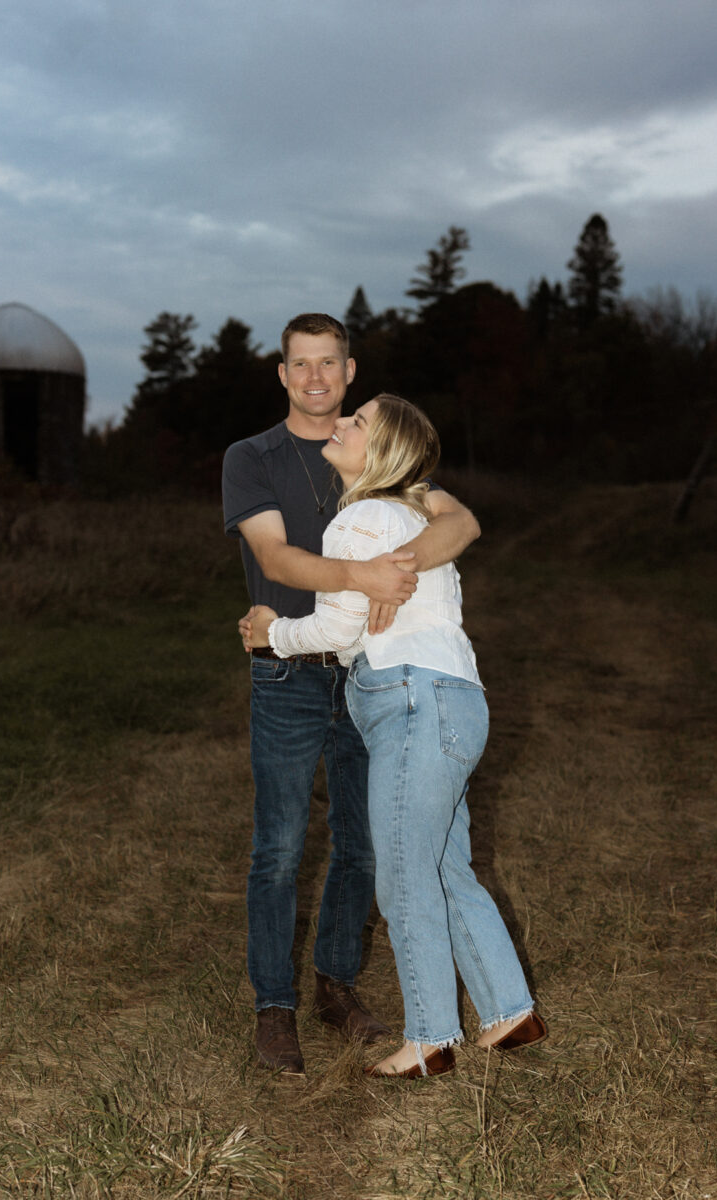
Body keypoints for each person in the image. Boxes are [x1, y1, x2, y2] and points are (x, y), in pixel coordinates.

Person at [244, 393, 547, 1079]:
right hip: (455, 700)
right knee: (444, 864)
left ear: (378, 453)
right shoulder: (412, 518)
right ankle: (509, 1010)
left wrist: (273, 634)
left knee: (406, 873)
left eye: (357, 423)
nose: (341, 422)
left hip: (410, 699)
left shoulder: (361, 518)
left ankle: (430, 1037)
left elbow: (339, 629)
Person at [222, 315, 481, 1076]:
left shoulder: (377, 448)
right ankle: (275, 1006)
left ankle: (335, 985)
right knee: (280, 846)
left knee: (364, 845)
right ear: (282, 373)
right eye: (300, 365)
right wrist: (363, 579)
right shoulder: (253, 457)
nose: (314, 379)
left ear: (349, 369)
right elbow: (277, 555)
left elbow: (460, 520)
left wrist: (394, 562)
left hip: (372, 679)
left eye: (328, 364)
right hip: (289, 674)